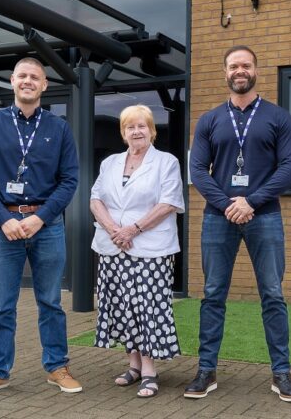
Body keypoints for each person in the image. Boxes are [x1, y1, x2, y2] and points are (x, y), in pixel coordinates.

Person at [186, 44, 291, 403]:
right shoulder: (209, 120)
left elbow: (290, 168)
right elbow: (197, 172)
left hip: (264, 216)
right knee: (213, 295)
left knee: (272, 295)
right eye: (234, 66)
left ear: (255, 71)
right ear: (225, 72)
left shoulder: (277, 117)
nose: (240, 71)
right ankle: (206, 370)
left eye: (246, 65)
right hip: (217, 219)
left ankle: (281, 373)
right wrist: (228, 205)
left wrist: (250, 201)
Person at [0, 57, 81, 399]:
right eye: (22, 76)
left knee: (51, 302)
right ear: (13, 82)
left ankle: (57, 366)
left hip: (47, 225)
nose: (28, 81)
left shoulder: (59, 128)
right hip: (3, 227)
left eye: (35, 77)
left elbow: (70, 179)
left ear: (44, 85)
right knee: (2, 305)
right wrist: (5, 219)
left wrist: (40, 217)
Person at [90, 105, 185, 398]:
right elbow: (95, 199)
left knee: (148, 307)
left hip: (150, 247)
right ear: (123, 133)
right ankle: (132, 366)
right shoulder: (110, 163)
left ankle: (149, 370)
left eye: (142, 126)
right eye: (130, 127)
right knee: (123, 306)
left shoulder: (166, 162)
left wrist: (132, 229)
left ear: (152, 130)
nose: (136, 131)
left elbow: (168, 202)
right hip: (113, 247)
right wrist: (113, 230)